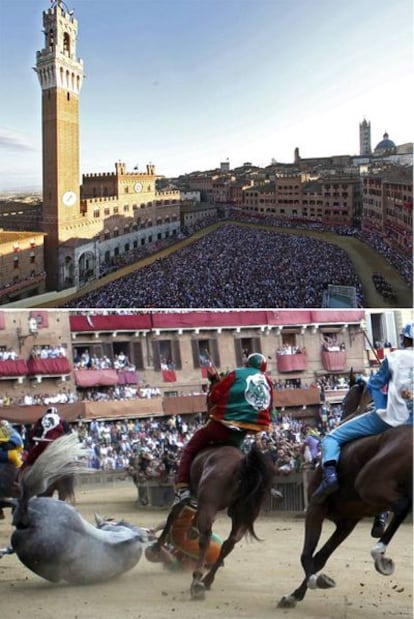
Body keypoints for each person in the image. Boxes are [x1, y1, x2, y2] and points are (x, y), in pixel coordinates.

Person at [312, 321, 414, 514]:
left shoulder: (394, 357)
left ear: (404, 338)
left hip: (391, 419)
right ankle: (382, 514)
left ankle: (330, 478)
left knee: (331, 437)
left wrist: (380, 406)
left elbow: (374, 385)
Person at [173, 353, 273, 505]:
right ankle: (263, 487)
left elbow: (215, 396)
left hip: (221, 426)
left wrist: (217, 386)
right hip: (241, 433)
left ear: (248, 364)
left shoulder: (237, 373)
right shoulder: (268, 381)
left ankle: (183, 489)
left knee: (190, 448)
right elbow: (269, 407)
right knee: (242, 457)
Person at [145, 501, 222, 571]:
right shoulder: (177, 559)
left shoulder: (174, 564)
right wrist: (155, 532)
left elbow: (170, 560)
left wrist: (155, 535)